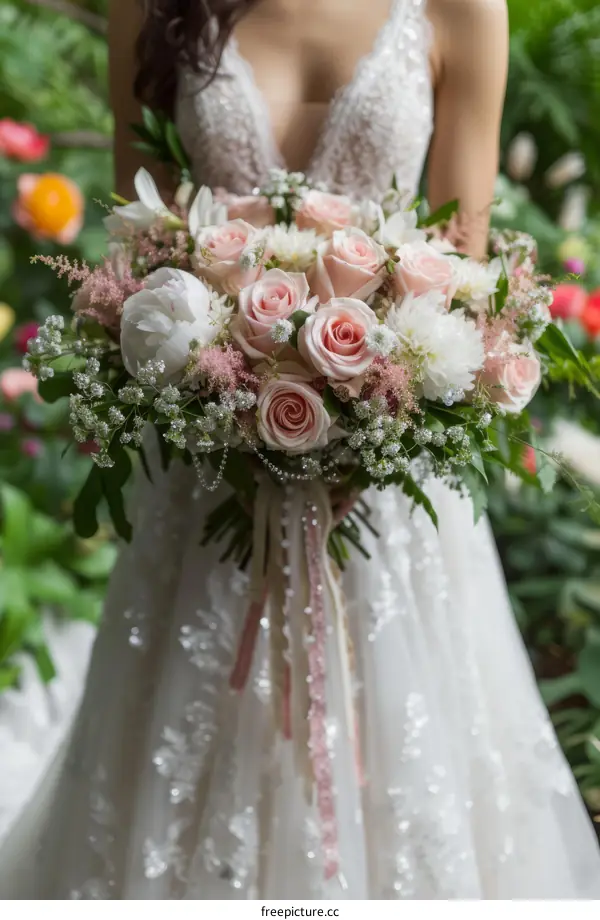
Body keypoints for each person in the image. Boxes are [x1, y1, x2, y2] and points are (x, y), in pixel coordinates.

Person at [4, 0, 600, 899]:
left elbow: (464, 266)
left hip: (389, 490)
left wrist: (365, 438)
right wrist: (226, 404)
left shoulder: (463, 10)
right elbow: (135, 256)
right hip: (206, 480)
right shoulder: (151, 7)